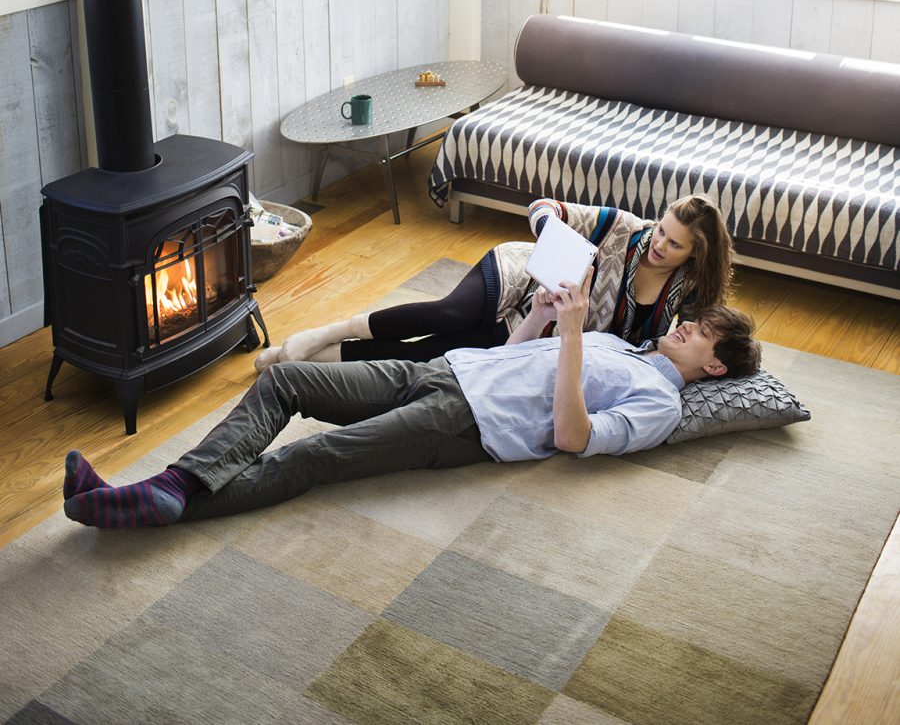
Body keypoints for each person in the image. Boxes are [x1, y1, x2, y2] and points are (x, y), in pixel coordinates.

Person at [62, 296, 760, 530]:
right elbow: (513, 360)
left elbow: (575, 438)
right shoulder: (617, 342)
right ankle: (175, 489)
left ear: (717, 366)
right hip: (441, 372)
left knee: (314, 459)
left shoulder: (659, 402)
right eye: (692, 320)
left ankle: (157, 500)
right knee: (287, 384)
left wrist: (573, 335)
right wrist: (543, 320)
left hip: (462, 427)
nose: (687, 326)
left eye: (702, 332)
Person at [255, 193, 735, 369]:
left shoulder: (685, 294)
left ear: (696, 256)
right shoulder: (624, 227)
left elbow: (691, 344)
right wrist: (553, 237)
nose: (659, 245)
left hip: (533, 329)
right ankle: (326, 333)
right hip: (516, 274)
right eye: (662, 230)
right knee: (444, 313)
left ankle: (311, 360)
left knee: (431, 353)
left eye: (674, 245)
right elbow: (544, 207)